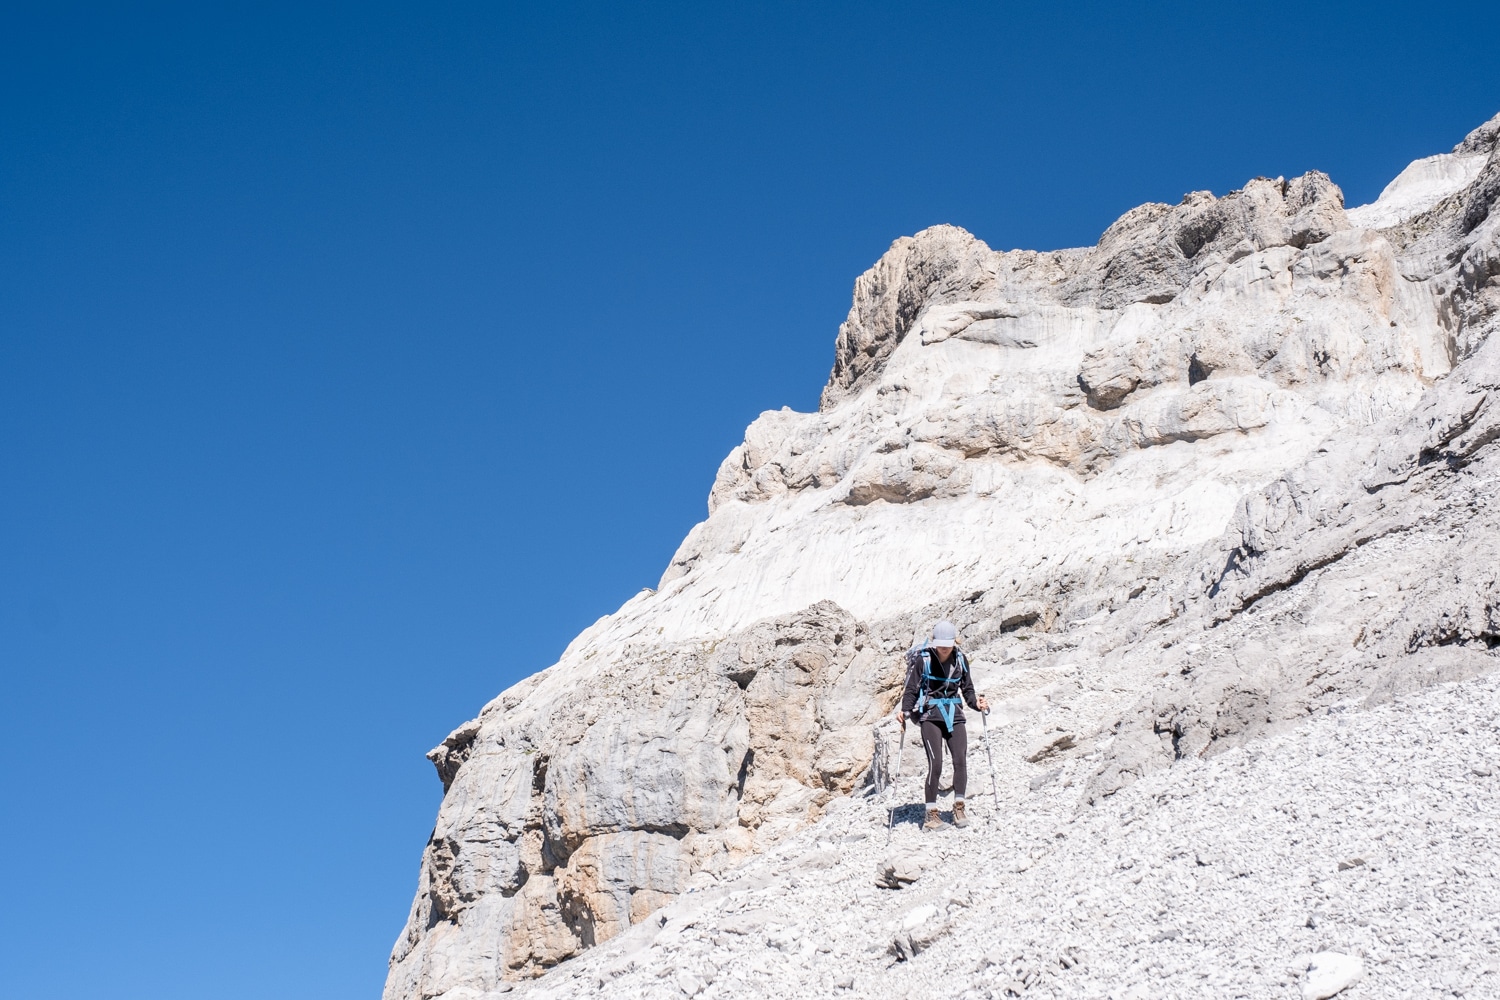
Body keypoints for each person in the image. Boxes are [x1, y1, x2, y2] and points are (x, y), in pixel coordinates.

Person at [898, 620, 987, 831]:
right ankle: (931, 814)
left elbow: (968, 689)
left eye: (948, 643)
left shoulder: (961, 659)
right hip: (930, 716)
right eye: (941, 643)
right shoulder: (924, 660)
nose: (945, 647)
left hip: (955, 714)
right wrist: (905, 710)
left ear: (954, 642)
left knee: (960, 761)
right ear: (935, 642)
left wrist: (977, 704)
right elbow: (911, 689)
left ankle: (959, 806)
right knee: (936, 764)